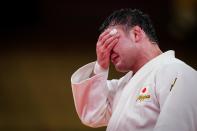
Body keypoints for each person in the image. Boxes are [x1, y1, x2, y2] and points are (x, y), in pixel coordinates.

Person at [70, 8, 197, 131]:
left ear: (136, 34)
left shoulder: (177, 71)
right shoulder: (123, 85)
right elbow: (92, 115)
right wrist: (101, 66)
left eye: (110, 40)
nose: (107, 50)